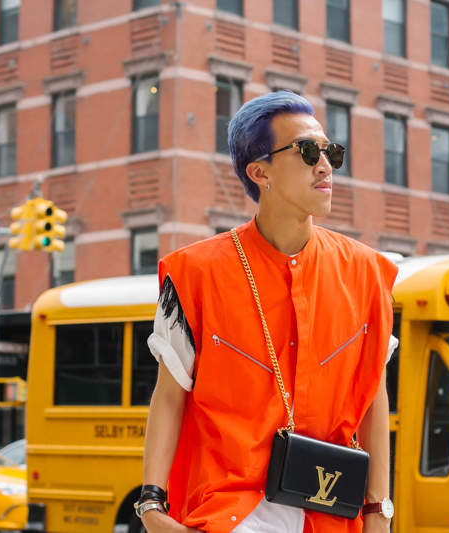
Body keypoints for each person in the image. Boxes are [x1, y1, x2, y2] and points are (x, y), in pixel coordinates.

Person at [140, 91, 398, 533]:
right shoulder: (194, 274)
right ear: (260, 172)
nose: (325, 165)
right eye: (308, 151)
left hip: (331, 513)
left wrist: (379, 512)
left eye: (330, 151)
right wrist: (151, 507)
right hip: (231, 513)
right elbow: (169, 395)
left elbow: (374, 398)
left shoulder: (368, 273)